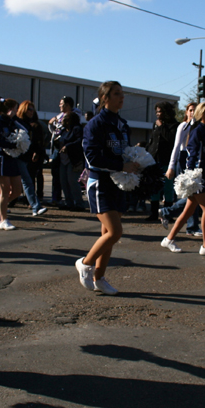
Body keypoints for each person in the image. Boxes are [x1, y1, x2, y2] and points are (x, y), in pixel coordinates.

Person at [75, 81, 139, 296]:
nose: (122, 97)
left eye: (122, 93)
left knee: (107, 234)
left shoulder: (122, 124)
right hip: (100, 182)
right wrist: (121, 165)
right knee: (115, 231)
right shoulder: (95, 124)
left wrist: (136, 161)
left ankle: (99, 277)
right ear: (105, 98)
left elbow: (123, 152)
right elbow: (92, 158)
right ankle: (85, 263)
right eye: (117, 94)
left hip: (117, 181)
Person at [160, 102, 205, 257]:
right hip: (196, 178)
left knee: (188, 211)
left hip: (202, 176)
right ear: (202, 115)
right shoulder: (196, 132)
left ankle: (169, 239)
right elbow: (192, 155)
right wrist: (192, 175)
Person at [160, 102, 202, 236]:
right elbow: (176, 147)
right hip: (184, 160)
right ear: (186, 112)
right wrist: (171, 166)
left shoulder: (200, 127)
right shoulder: (183, 126)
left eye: (195, 110)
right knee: (192, 193)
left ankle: (190, 225)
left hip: (197, 161)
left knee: (194, 194)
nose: (192, 113)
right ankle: (190, 225)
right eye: (190, 110)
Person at [0, 99, 25, 230]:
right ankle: (3, 220)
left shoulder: (13, 122)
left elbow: (25, 129)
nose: (17, 111)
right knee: (4, 191)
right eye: (15, 108)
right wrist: (13, 144)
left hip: (12, 158)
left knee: (17, 190)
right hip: (1, 158)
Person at [144, 101, 178, 221]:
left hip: (167, 160)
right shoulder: (156, 124)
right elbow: (153, 140)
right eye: (157, 111)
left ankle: (167, 213)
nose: (158, 114)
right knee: (154, 187)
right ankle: (154, 213)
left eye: (160, 111)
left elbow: (170, 139)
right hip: (154, 159)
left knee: (168, 188)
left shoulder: (175, 125)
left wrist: (161, 126)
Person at [13, 101, 47, 216]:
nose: (31, 112)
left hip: (27, 156)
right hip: (17, 155)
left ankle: (34, 205)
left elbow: (36, 142)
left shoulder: (33, 125)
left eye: (32, 109)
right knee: (21, 182)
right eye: (29, 109)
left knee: (26, 181)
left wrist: (37, 152)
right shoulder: (17, 123)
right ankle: (34, 206)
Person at [47, 96, 74, 206]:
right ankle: (55, 197)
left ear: (67, 105)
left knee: (67, 177)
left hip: (66, 150)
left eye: (62, 104)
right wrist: (50, 124)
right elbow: (54, 131)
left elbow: (64, 129)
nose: (60, 106)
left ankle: (71, 200)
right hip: (56, 148)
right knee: (56, 174)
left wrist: (57, 122)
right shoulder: (58, 116)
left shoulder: (73, 115)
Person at [56, 111, 85, 210]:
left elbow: (79, 141)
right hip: (63, 159)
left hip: (73, 160)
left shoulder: (77, 129)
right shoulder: (63, 131)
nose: (62, 121)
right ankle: (69, 203)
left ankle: (79, 203)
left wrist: (68, 147)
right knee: (64, 181)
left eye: (65, 119)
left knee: (72, 181)